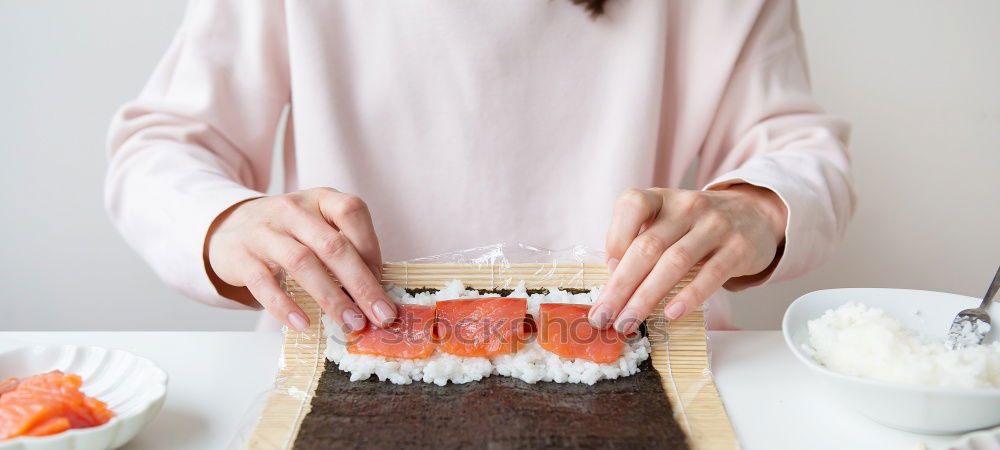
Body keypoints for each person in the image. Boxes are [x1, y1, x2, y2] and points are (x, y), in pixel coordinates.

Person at [106, 0, 853, 333]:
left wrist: (757, 205)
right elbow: (162, 147)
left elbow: (798, 149)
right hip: (340, 347)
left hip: (639, 352)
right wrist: (226, 223)